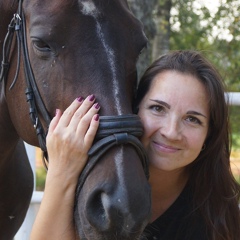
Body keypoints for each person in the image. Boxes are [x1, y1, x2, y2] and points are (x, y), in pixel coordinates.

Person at [30, 50, 240, 240]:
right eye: (158, 108)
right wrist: (61, 170)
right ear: (134, 110)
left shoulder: (219, 215)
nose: (171, 132)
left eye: (192, 119)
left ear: (208, 135)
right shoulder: (93, 183)